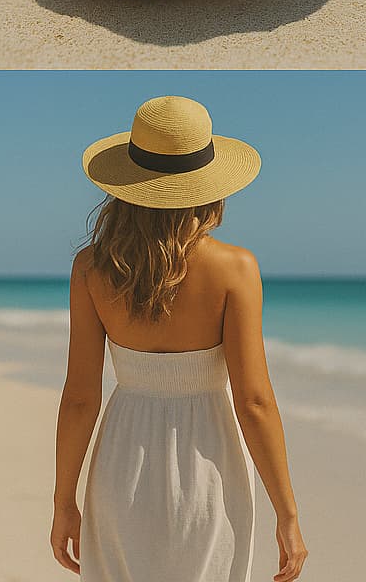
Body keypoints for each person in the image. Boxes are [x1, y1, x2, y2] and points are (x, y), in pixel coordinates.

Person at [51, 95, 307, 582]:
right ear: (209, 185)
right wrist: (288, 514)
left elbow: (80, 398)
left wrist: (64, 501)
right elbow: (254, 401)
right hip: (210, 465)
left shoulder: (91, 269)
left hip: (121, 462)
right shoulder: (235, 269)